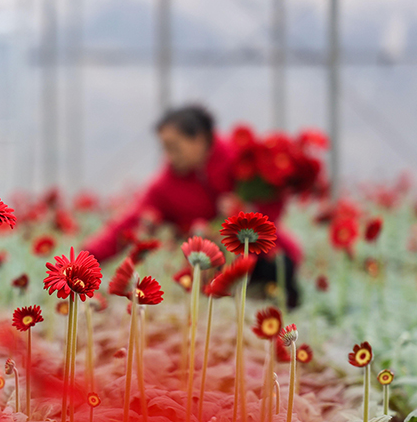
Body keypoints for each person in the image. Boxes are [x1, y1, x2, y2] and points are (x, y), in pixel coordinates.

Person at [82, 104, 302, 307]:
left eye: (174, 147)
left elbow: (274, 200)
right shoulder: (165, 186)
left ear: (199, 139)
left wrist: (243, 214)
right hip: (212, 276)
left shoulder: (241, 158)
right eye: (165, 148)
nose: (169, 156)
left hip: (269, 262)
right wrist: (86, 259)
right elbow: (127, 225)